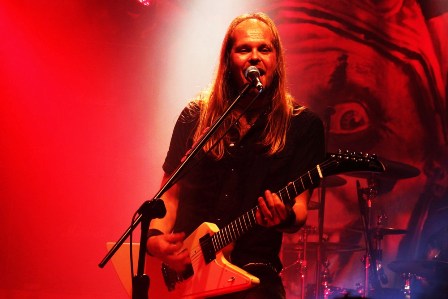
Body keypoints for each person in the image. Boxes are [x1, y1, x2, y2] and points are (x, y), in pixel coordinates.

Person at [146, 12, 326, 299]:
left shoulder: (303, 125)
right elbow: (169, 194)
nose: (254, 57)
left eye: (264, 49)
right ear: (228, 60)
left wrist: (282, 216)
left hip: (254, 273)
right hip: (185, 275)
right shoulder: (196, 117)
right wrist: (155, 241)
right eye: (244, 49)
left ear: (276, 59)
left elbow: (300, 210)